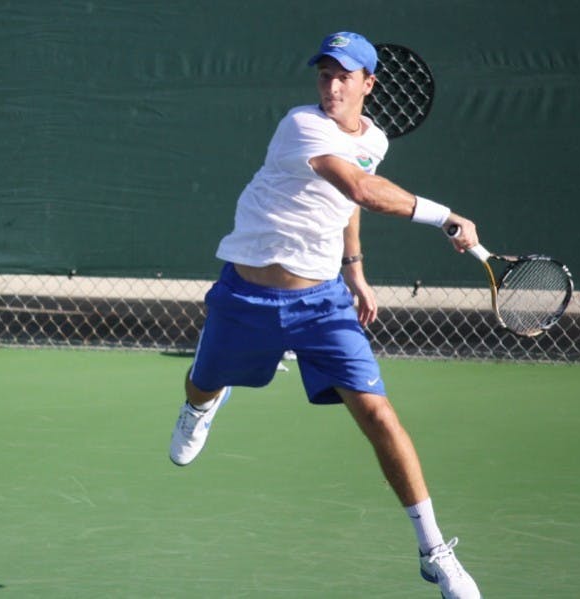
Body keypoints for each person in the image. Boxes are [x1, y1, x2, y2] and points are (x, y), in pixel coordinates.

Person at [169, 31, 482, 599]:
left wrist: (355, 269)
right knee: (201, 384)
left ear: (369, 84)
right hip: (248, 294)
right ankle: (203, 404)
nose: (331, 86)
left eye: (344, 76)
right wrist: (443, 217)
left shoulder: (376, 139)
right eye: (324, 75)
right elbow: (360, 188)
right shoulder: (300, 125)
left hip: (322, 305)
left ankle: (435, 552)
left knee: (380, 416)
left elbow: (345, 204)